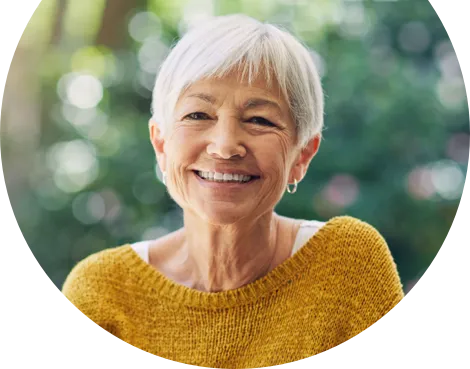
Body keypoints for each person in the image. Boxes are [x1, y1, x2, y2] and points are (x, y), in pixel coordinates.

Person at [61, 13, 405, 368]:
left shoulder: (349, 267)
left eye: (259, 120)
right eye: (198, 115)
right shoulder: (102, 293)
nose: (225, 146)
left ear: (302, 155)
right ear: (161, 145)